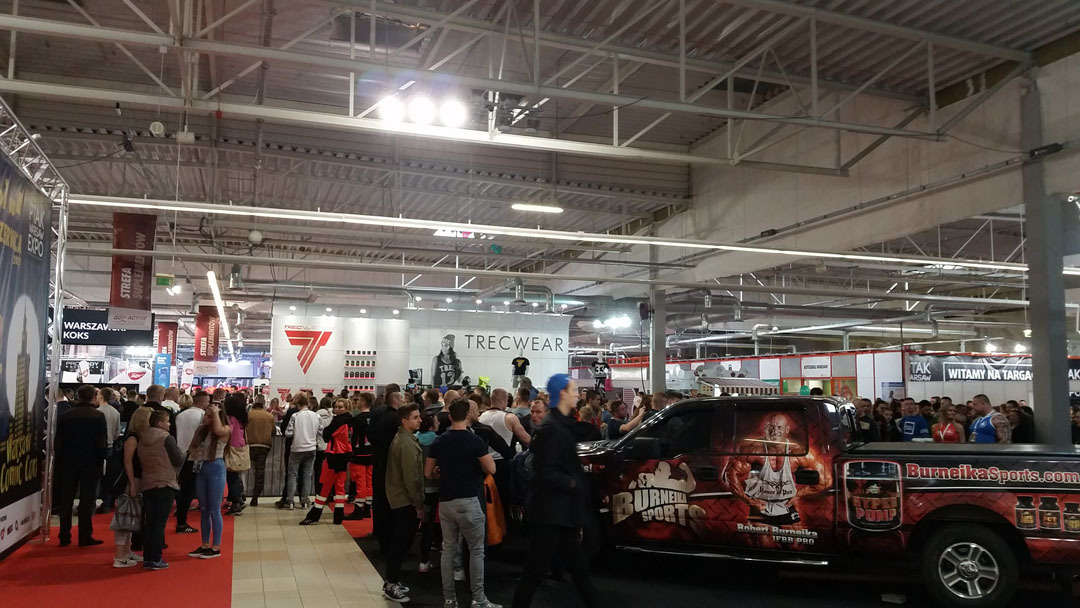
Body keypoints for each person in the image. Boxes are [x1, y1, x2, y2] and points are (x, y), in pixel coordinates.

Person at [513, 374, 601, 608]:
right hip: (551, 514)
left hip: (559, 514)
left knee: (576, 572)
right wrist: (572, 483)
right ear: (562, 393)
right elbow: (544, 471)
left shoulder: (559, 426)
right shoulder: (552, 428)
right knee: (537, 572)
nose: (577, 394)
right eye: (573, 390)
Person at [428, 398, 499, 608]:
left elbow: (428, 473)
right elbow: (491, 469)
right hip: (469, 500)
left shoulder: (439, 441)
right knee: (476, 551)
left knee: (448, 551)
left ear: (450, 416)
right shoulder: (475, 441)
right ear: (468, 415)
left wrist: (441, 471)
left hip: (446, 502)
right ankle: (479, 599)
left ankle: (449, 599)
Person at [56, 385, 108, 547]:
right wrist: (101, 459)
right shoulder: (98, 416)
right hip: (91, 463)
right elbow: (102, 441)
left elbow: (59, 441)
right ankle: (85, 535)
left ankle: (64, 535)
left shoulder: (65, 416)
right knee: (87, 500)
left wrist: (60, 460)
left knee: (66, 500)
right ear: (93, 397)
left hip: (68, 462)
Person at [382, 403, 424, 604]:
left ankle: (392, 580)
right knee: (401, 541)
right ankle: (391, 583)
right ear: (404, 420)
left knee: (402, 541)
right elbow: (411, 477)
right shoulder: (405, 443)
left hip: (401, 497)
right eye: (415, 417)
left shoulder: (405, 439)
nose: (420, 420)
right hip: (404, 499)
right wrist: (418, 503)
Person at [138, 410, 184, 570]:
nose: (169, 424)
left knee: (149, 522)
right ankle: (156, 558)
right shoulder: (166, 438)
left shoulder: (142, 437)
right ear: (159, 423)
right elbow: (177, 460)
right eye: (167, 421)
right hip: (165, 482)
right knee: (159, 524)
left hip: (148, 482)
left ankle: (147, 557)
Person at [188, 401, 231, 559]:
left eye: (208, 416)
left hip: (215, 467)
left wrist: (216, 413)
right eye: (205, 415)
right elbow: (191, 447)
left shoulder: (225, 429)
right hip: (201, 467)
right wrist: (194, 452)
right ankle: (205, 544)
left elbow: (219, 430)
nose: (205, 418)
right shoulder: (201, 430)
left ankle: (216, 546)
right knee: (204, 508)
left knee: (214, 509)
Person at [479, 388, 531, 515]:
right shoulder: (510, 418)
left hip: (484, 465)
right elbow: (526, 440)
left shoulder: (480, 418)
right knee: (504, 500)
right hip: (503, 464)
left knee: (487, 501)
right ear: (503, 400)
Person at [301, 398, 353, 525]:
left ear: (346, 408)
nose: (337, 409)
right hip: (344, 456)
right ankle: (338, 516)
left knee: (325, 486)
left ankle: (314, 515)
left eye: (340, 407)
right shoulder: (351, 421)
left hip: (333, 456)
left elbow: (326, 435)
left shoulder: (338, 421)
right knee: (340, 488)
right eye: (336, 406)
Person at [111, 406, 150, 568]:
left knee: (132, 517)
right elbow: (128, 462)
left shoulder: (138, 436)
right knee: (125, 517)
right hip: (131, 481)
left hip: (137, 479)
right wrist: (132, 483)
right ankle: (120, 556)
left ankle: (126, 551)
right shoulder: (132, 438)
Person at [370, 385, 404, 553]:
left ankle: (380, 534)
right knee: (389, 503)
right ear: (396, 400)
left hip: (379, 462)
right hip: (390, 466)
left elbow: (372, 436)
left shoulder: (379, 415)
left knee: (380, 501)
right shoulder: (396, 419)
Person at [174, 390, 208, 534]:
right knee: (189, 490)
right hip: (194, 455)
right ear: (202, 401)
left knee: (181, 486)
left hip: (179, 453)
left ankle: (180, 513)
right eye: (207, 401)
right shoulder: (202, 416)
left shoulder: (180, 415)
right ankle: (182, 522)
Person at [284, 394, 320, 509]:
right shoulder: (316, 416)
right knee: (307, 475)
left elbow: (288, 433)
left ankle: (290, 501)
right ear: (307, 404)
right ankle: (304, 501)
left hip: (297, 448)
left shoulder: (295, 416)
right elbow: (321, 432)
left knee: (292, 475)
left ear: (298, 405)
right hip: (311, 448)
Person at [415, 412, 440, 572]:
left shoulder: (413, 440)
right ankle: (425, 560)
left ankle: (422, 560)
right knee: (430, 524)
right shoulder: (438, 441)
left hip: (417, 487)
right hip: (434, 487)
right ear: (431, 425)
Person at [345, 392, 375, 520]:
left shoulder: (357, 419)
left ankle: (358, 508)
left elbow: (354, 438)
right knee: (369, 481)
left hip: (359, 454)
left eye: (358, 400)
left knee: (360, 481)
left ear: (363, 402)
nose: (356, 402)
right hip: (372, 453)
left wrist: (351, 451)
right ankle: (367, 508)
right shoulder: (375, 417)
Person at [95, 387, 122, 514]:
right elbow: (117, 432)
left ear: (101, 397)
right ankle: (107, 501)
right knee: (109, 476)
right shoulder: (115, 412)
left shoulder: (97, 412)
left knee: (96, 475)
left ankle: (95, 500)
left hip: (98, 448)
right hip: (110, 447)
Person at [246, 396, 275, 507]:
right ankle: (255, 496)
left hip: (250, 445)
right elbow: (273, 432)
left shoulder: (248, 415)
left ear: (253, 407)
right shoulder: (269, 416)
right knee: (260, 471)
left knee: (244, 470)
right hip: (264, 446)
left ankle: (242, 494)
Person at [224, 395, 249, 515]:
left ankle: (236, 504)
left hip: (231, 449)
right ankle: (238, 499)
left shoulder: (231, 419)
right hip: (240, 448)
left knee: (232, 478)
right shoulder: (242, 419)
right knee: (235, 477)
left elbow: (228, 433)